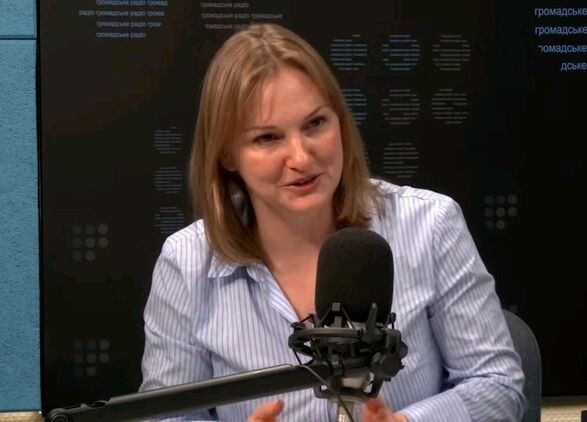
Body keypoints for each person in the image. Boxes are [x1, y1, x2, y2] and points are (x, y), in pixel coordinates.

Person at [139, 23, 525, 422]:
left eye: (315, 124)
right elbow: (165, 418)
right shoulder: (185, 264)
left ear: (340, 121)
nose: (301, 158)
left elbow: (497, 385)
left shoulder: (431, 224)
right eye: (268, 138)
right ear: (227, 155)